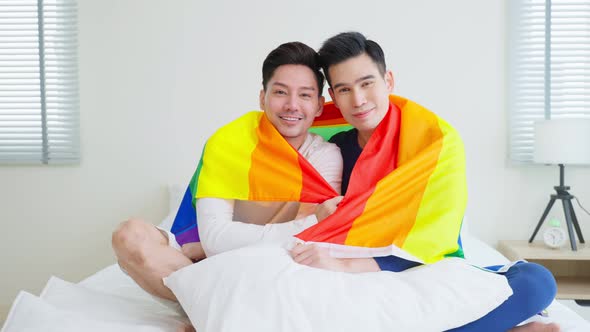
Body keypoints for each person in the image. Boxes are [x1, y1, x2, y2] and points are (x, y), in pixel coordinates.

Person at [290, 32, 559, 332]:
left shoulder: (434, 143)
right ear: (333, 97)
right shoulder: (333, 149)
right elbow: (326, 223)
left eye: (367, 83)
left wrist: (346, 265)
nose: (358, 99)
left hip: (428, 262)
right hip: (362, 267)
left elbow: (436, 239)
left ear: (388, 81)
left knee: (536, 281)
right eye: (344, 89)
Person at [112, 41, 343, 302]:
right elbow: (214, 238)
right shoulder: (228, 145)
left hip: (270, 265)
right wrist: (212, 247)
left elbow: (306, 243)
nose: (292, 105)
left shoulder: (326, 156)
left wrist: (214, 247)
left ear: (319, 106)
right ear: (262, 98)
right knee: (129, 235)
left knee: (298, 266)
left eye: (305, 95)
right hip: (209, 265)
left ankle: (205, 308)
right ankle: (212, 306)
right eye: (280, 92)